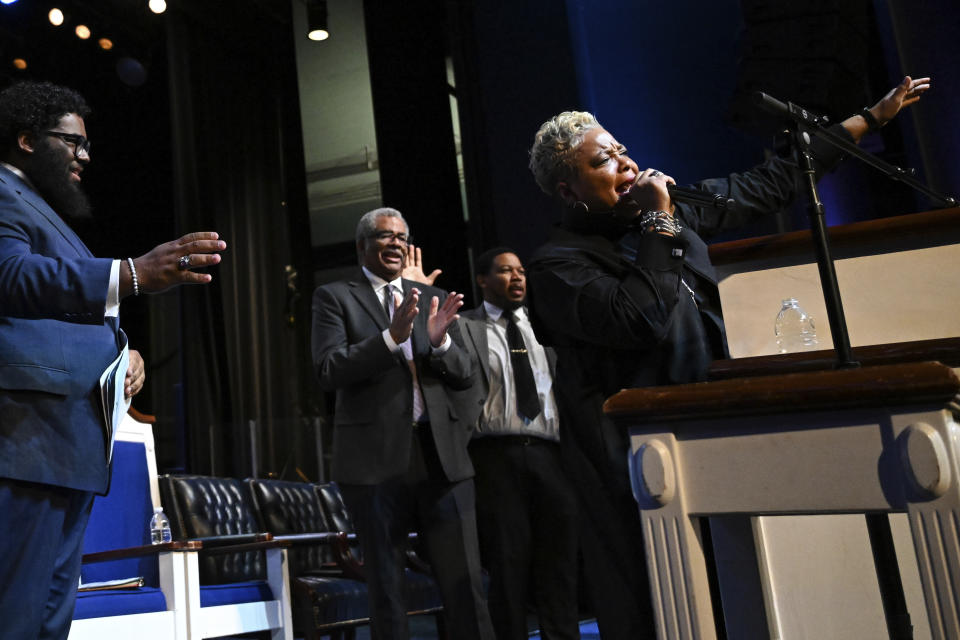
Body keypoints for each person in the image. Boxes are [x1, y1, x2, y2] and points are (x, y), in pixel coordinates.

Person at [523, 75, 931, 639]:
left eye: (621, 150)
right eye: (603, 161)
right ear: (569, 191)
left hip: (715, 428)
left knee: (741, 594)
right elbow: (642, 319)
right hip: (637, 462)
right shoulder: (558, 265)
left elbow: (771, 181)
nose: (624, 163)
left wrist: (869, 118)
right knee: (668, 608)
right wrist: (660, 222)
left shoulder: (668, 214)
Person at [0, 80, 226, 639]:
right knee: (17, 611)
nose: (84, 157)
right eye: (71, 142)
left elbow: (62, 312)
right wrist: (129, 274)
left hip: (67, 440)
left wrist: (123, 350)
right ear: (27, 139)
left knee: (50, 617)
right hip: (25, 436)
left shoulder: (45, 211)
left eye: (87, 146)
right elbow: (10, 276)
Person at [311, 207, 494, 640]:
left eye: (401, 236)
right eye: (383, 235)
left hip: (439, 454)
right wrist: (390, 338)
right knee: (387, 588)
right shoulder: (335, 296)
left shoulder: (432, 297)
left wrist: (440, 341)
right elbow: (329, 368)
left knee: (465, 582)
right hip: (373, 461)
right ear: (362, 246)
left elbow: (466, 372)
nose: (394, 242)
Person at [459, 247, 580, 640]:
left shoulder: (546, 325)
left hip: (549, 453)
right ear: (483, 280)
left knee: (559, 559)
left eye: (521, 271)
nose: (517, 278)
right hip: (496, 455)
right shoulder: (465, 327)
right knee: (508, 563)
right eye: (506, 271)